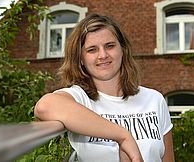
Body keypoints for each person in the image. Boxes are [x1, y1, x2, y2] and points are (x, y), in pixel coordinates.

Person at [34, 13, 175, 162]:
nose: (103, 55)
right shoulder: (79, 99)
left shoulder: (154, 99)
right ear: (81, 59)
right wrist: (123, 136)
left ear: (123, 49)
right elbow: (44, 107)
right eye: (92, 50)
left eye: (110, 46)